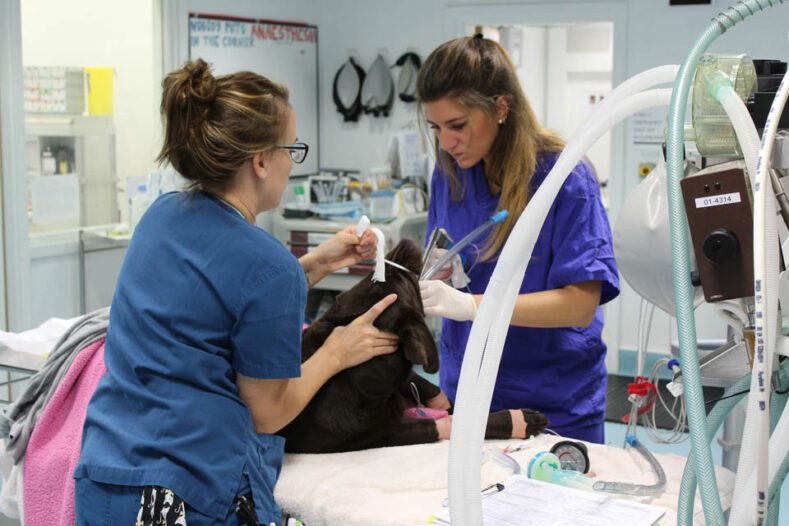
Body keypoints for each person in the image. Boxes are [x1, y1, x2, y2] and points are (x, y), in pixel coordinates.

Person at [74, 59, 400, 526]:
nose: (293, 162)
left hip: (106, 475)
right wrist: (335, 352)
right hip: (182, 495)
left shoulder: (162, 217)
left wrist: (313, 265)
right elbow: (267, 413)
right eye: (293, 148)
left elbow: (215, 302)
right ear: (262, 160)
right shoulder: (267, 266)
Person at [415, 35, 620, 444]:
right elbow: (445, 260)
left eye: (457, 125)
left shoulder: (565, 179)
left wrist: (473, 306)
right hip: (472, 394)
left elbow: (580, 305)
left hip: (553, 401)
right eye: (435, 127)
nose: (446, 141)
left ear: (501, 108)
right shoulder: (450, 174)